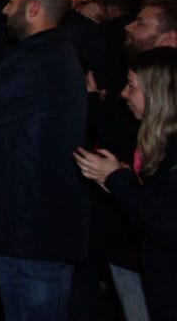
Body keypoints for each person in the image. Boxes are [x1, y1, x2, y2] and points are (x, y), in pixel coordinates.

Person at [0, 0, 88, 321]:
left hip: (31, 231)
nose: (4, 10)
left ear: (33, 9)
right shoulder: (53, 53)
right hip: (38, 228)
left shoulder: (35, 62)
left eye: (12, 3)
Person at [75, 47, 177, 321]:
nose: (123, 94)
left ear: (157, 94)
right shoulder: (159, 143)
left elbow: (164, 223)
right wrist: (114, 179)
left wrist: (118, 180)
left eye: (132, 86)